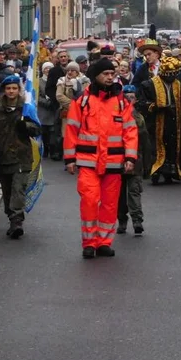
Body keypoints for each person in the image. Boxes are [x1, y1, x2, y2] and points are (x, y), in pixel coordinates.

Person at [63, 58, 139, 258]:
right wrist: (70, 159)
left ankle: (104, 242)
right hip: (88, 161)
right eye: (105, 74)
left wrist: (130, 156)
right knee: (89, 201)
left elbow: (130, 131)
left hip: (114, 163)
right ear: (95, 76)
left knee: (110, 204)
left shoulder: (121, 101)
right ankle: (89, 242)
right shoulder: (82, 102)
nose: (110, 77)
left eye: (111, 74)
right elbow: (71, 130)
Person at [0, 75, 40, 239]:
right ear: (4, 90)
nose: (11, 91)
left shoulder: (26, 107)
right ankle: (11, 215)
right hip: (3, 156)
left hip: (21, 156)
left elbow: (37, 129)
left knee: (18, 189)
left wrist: (26, 126)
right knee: (7, 191)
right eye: (8, 88)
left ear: (19, 89)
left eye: (14, 88)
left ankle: (17, 221)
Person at [138, 54, 181, 185]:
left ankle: (171, 172)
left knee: (173, 146)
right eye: (169, 75)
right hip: (156, 121)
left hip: (174, 121)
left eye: (174, 75)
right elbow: (143, 103)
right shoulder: (148, 85)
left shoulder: (180, 86)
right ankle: (156, 171)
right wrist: (159, 107)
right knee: (157, 147)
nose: (171, 77)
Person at [117, 85, 150, 235]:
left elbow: (145, 142)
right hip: (117, 161)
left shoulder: (139, 117)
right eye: (126, 97)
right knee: (119, 195)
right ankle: (122, 221)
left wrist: (147, 165)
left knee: (134, 192)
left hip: (135, 160)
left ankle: (137, 221)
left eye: (132, 97)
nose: (129, 100)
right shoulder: (116, 115)